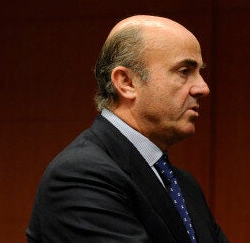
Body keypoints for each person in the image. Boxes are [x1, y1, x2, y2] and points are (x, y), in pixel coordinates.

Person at [26, 15, 228, 242]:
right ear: (126, 82)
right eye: (184, 71)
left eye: (200, 72)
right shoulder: (80, 175)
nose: (203, 88)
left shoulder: (185, 186)